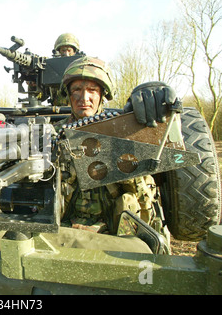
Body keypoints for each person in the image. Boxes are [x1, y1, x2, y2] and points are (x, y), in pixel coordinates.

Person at [54, 55, 180, 236]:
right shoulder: (54, 132)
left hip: (118, 232)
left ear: (103, 95)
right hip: (63, 228)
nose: (84, 97)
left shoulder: (122, 127)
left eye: (92, 90)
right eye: (77, 89)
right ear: (68, 94)